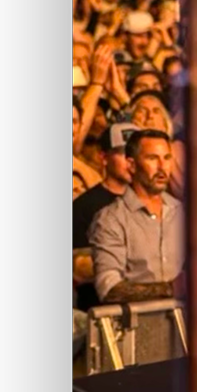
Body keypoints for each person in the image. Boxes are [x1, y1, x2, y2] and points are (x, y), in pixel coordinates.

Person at [90, 130, 197, 303]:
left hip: (182, 317)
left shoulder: (183, 213)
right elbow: (109, 289)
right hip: (137, 320)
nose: (162, 167)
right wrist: (171, 288)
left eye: (167, 158)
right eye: (152, 158)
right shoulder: (111, 219)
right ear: (132, 165)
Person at [73, 121, 135, 308]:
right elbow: (78, 267)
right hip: (101, 311)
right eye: (123, 153)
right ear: (104, 157)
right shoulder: (83, 207)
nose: (132, 161)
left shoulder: (156, 202)